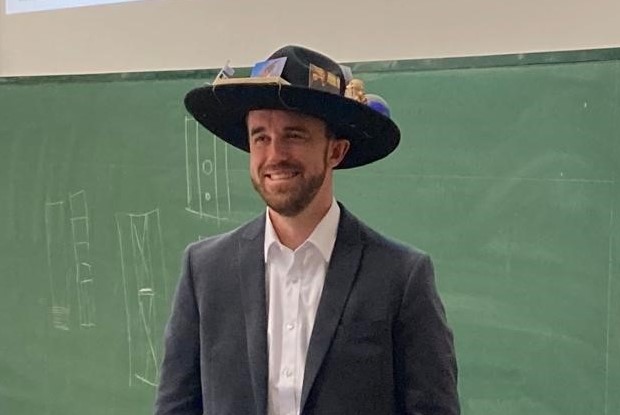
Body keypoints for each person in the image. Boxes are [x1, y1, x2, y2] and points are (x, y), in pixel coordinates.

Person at [155, 45, 459, 415]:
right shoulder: (205, 271)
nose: (274, 155)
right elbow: (176, 407)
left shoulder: (400, 277)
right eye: (260, 137)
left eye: (294, 135)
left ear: (336, 151)